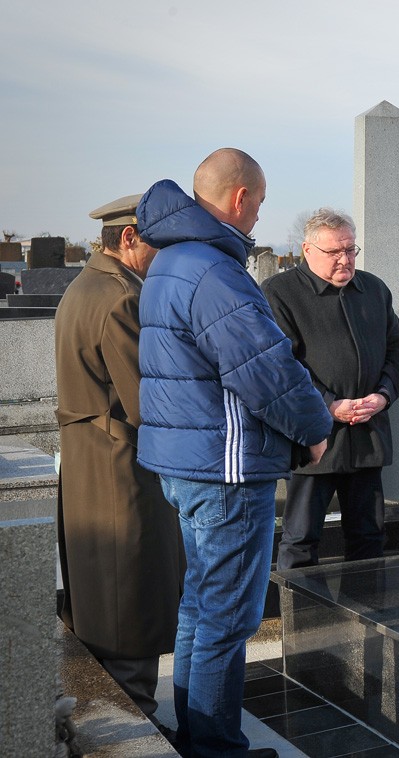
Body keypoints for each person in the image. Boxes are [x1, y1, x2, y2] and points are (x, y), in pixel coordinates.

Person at [137, 148, 332, 758]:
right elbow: (264, 369)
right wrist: (314, 424)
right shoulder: (213, 272)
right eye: (261, 204)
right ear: (240, 197)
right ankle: (216, 745)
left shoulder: (171, 261)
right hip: (227, 467)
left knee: (201, 602)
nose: (257, 219)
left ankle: (195, 731)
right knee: (228, 614)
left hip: (187, 462)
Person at [54, 193, 184, 737]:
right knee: (130, 594)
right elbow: (147, 401)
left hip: (92, 460)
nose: (167, 255)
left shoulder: (86, 286)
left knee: (107, 594)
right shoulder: (121, 298)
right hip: (120, 468)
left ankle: (123, 718)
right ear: (128, 238)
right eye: (160, 242)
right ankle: (136, 730)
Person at [263, 208, 399, 569]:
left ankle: (366, 620)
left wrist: (383, 395)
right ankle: (303, 624)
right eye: (334, 252)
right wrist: (328, 405)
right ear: (307, 250)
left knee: (369, 535)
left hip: (367, 433)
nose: (345, 260)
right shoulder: (280, 293)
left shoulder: (373, 289)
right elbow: (282, 365)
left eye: (350, 250)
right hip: (313, 438)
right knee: (300, 539)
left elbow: (398, 350)